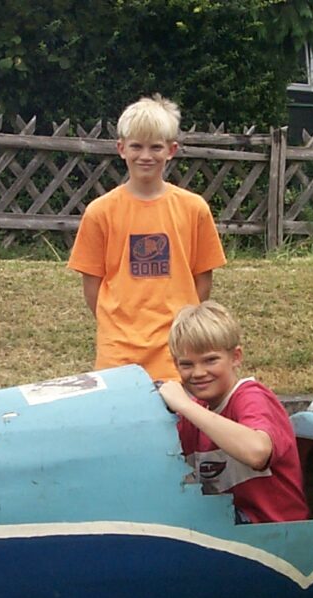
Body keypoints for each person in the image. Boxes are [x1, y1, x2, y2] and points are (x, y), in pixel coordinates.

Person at [67, 94, 227, 382]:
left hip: (176, 350)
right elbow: (92, 285)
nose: (145, 155)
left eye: (155, 147)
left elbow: (203, 279)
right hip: (117, 351)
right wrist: (117, 326)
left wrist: (183, 326)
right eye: (136, 146)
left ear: (171, 150)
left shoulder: (194, 208)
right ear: (121, 149)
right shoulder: (100, 212)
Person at [157, 301, 309, 524]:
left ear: (235, 357)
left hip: (276, 534)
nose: (198, 373)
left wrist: (185, 405)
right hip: (231, 534)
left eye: (210, 360)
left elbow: (257, 451)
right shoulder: (196, 413)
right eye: (187, 364)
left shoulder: (251, 396)